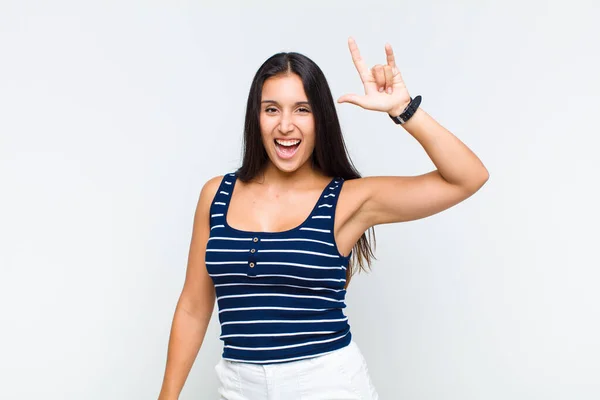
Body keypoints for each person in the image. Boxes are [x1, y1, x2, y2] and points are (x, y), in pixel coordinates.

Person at [157, 37, 489, 400]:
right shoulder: (216, 195)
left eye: (302, 109)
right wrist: (167, 396)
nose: (285, 125)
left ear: (321, 119)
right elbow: (193, 307)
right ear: (256, 117)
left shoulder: (347, 199)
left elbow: (468, 177)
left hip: (324, 385)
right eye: (272, 109)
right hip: (239, 387)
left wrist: (403, 109)